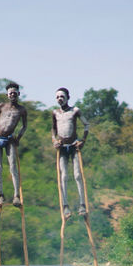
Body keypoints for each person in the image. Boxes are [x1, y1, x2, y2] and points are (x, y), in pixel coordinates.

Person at [51, 87, 90, 219]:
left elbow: (86, 124)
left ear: (68, 97)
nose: (59, 99)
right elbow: (53, 129)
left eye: (62, 96)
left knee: (78, 175)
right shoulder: (55, 113)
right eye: (57, 97)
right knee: (63, 177)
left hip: (74, 146)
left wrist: (83, 140)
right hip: (62, 148)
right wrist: (54, 141)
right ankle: (65, 206)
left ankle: (82, 204)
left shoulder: (75, 111)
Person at [0, 82, 27, 208]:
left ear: (18, 94)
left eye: (15, 93)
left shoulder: (21, 110)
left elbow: (24, 126)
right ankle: (1, 195)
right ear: (7, 95)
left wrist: (18, 137)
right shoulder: (1, 106)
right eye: (10, 93)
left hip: (10, 139)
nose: (12, 95)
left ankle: (16, 196)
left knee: (13, 167)